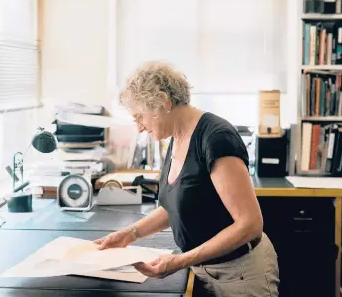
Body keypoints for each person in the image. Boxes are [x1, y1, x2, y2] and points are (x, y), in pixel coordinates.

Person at [94, 61, 280, 296]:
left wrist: (180, 261)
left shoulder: (216, 138)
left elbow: (250, 225)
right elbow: (175, 206)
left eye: (139, 117)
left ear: (162, 103)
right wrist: (128, 235)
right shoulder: (176, 138)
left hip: (240, 274)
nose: (140, 128)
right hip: (203, 269)